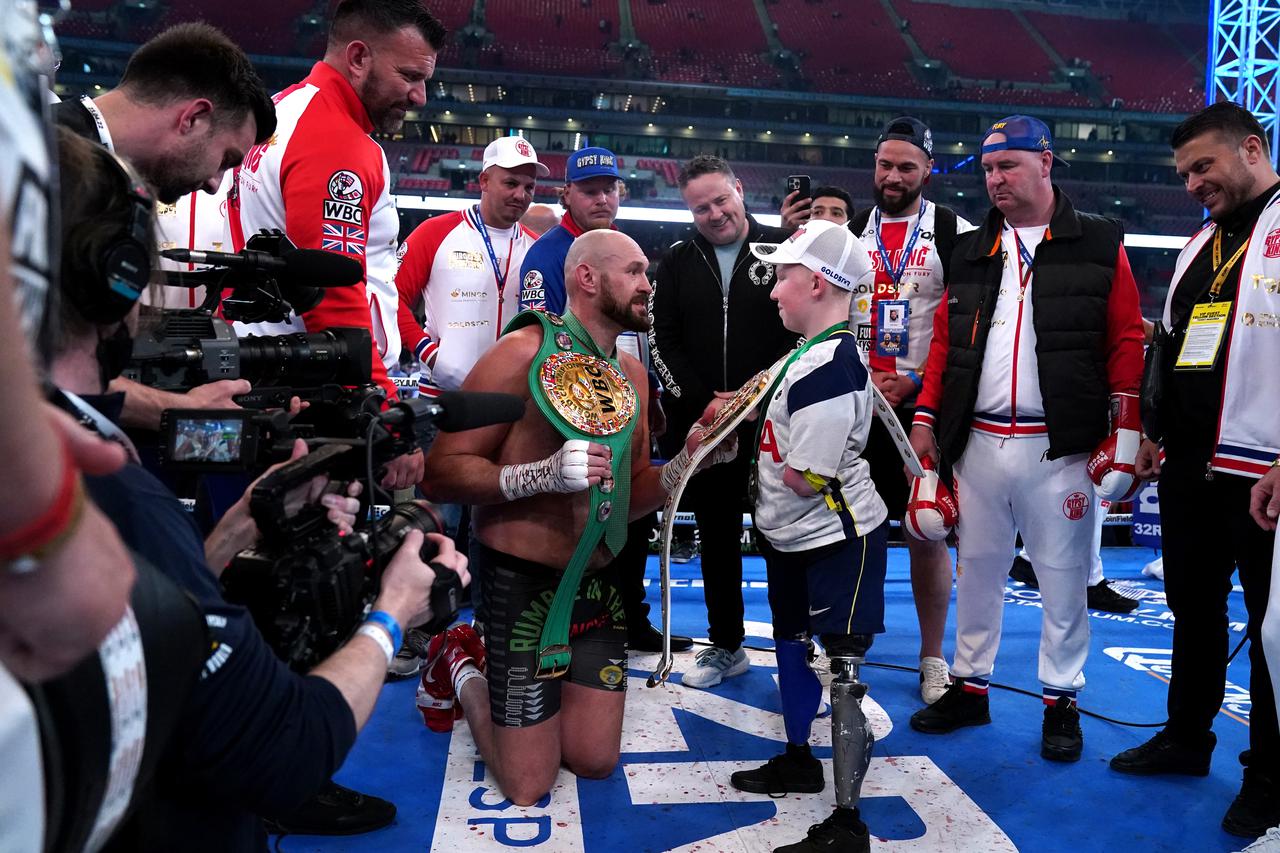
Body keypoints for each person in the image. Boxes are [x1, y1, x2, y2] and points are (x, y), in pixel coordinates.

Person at [48, 128, 469, 850]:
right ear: (110, 275)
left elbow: (134, 627)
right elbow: (287, 750)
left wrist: (236, 529)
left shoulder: (57, 451)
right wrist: (395, 608)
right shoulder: (108, 491)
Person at [417, 229, 735, 805]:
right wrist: (534, 476)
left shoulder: (633, 375)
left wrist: (689, 462)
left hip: (602, 582)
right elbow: (440, 472)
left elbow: (635, 491)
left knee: (593, 761)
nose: (648, 285)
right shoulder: (521, 353)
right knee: (527, 786)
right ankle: (461, 661)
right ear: (587, 278)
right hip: (523, 585)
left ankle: (528, 696)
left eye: (648, 274)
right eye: (635, 272)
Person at [907, 115, 1145, 763]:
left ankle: (1061, 698)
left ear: (1045, 162)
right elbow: (946, 345)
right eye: (987, 169)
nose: (994, 180)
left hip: (1060, 443)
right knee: (976, 572)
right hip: (978, 440)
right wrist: (927, 417)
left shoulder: (1100, 241)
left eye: (1007, 165)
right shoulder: (970, 247)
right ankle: (970, 686)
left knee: (1064, 578)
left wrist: (1127, 422)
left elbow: (1126, 336)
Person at [1108, 102, 1279, 840]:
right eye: (1183, 174)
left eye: (1203, 166)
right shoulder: (1196, 245)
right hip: (1190, 465)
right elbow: (1174, 347)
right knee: (1193, 611)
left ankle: (1271, 777)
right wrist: (1152, 431)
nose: (1192, 184)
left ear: (1251, 147)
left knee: (1274, 633)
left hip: (1265, 468)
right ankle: (1186, 737)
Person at [225, 0, 446, 490]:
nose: (419, 96)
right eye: (409, 75)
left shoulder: (284, 110)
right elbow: (332, 295)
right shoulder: (335, 140)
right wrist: (383, 412)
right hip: (320, 397)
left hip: (274, 376)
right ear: (359, 57)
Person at [731, 220, 883, 853]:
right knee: (792, 645)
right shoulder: (811, 355)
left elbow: (803, 477)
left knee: (842, 669)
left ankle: (849, 821)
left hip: (836, 543)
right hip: (796, 538)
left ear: (817, 284)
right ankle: (799, 757)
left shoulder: (827, 366)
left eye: (784, 277)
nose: (774, 292)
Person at [54, 21, 279, 431]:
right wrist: (173, 409)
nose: (214, 184)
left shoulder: (87, 169)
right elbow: (37, 371)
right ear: (193, 118)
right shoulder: (42, 167)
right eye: (226, 159)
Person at [517, 145, 690, 653]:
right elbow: (541, 344)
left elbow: (638, 334)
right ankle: (568, 621)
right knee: (582, 514)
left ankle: (629, 617)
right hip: (578, 407)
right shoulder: (550, 255)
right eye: (589, 190)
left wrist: (650, 394)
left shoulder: (621, 250)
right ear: (566, 194)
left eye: (608, 188)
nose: (601, 198)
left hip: (626, 399)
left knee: (634, 515)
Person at [650, 154, 798, 689]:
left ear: (740, 188)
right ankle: (726, 643)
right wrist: (702, 400)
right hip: (705, 421)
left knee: (786, 532)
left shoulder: (785, 248)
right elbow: (660, 338)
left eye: (720, 200)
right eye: (700, 207)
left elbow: (801, 334)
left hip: (777, 416)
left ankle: (796, 645)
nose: (714, 214)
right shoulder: (676, 260)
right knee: (714, 533)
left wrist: (757, 395)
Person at [848, 117, 974, 704]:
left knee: (927, 529)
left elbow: (970, 327)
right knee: (850, 529)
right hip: (853, 406)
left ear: (928, 169)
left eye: (906, 167)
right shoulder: (847, 232)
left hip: (922, 410)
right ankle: (847, 648)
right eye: (884, 165)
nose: (893, 176)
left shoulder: (955, 232)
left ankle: (932, 657)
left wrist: (918, 380)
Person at [396, 136, 545, 398]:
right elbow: (392, 300)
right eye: (511, 183)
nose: (521, 195)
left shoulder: (537, 248)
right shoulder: (434, 233)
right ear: (484, 181)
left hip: (513, 400)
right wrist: (429, 354)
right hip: (443, 395)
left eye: (529, 187)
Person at [780, 184, 855, 230]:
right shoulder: (790, 251)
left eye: (836, 213)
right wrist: (785, 233)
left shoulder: (862, 254)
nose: (826, 219)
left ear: (849, 222)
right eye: (817, 212)